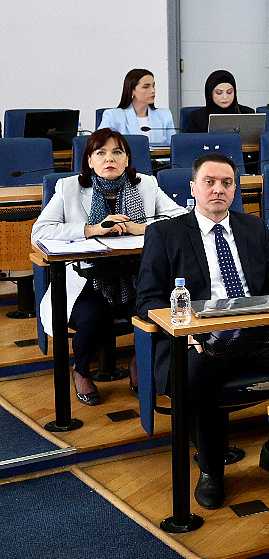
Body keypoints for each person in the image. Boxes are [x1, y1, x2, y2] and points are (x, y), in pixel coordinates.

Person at [136, 153, 269, 509]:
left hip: (255, 332)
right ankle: (211, 469)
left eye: (226, 183)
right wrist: (185, 328)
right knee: (196, 373)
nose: (218, 189)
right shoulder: (166, 233)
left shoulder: (253, 228)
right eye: (209, 182)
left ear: (235, 190)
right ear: (193, 188)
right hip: (201, 339)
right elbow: (146, 300)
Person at [32, 129, 186, 406]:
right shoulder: (69, 188)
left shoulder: (147, 185)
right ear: (89, 161)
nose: (109, 159)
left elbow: (182, 218)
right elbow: (40, 232)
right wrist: (90, 229)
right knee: (93, 320)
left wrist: (142, 227)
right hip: (85, 281)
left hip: (138, 279)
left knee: (157, 315)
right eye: (100, 153)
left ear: (127, 159)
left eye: (117, 152)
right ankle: (81, 370)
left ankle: (138, 363)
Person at [99, 69, 176, 145]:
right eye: (146, 87)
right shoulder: (113, 116)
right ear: (132, 91)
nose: (153, 91)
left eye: (153, 86)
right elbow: (100, 144)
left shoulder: (165, 115)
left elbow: (173, 146)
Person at [184, 70, 255, 133]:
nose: (225, 97)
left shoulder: (247, 113)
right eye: (219, 93)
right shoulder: (198, 117)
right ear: (210, 94)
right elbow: (191, 141)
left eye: (229, 92)